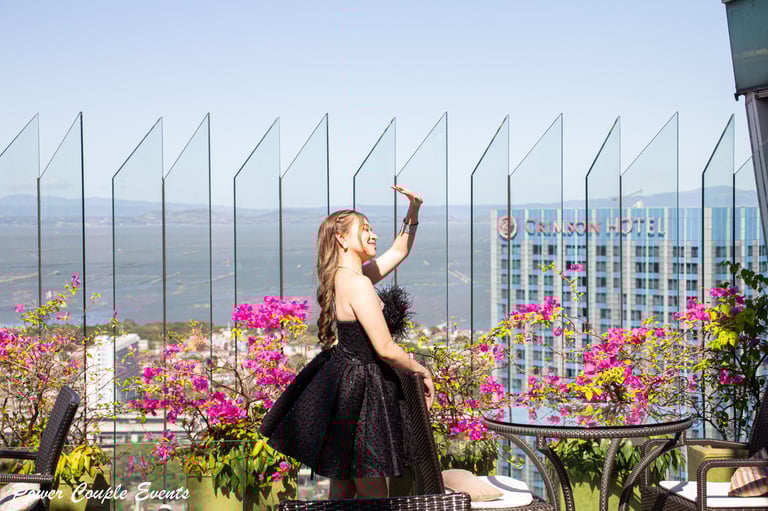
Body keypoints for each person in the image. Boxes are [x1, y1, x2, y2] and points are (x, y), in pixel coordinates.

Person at [260, 185, 435, 500]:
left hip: (345, 385)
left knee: (344, 484)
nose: (373, 235)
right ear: (342, 238)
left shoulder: (343, 277)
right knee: (372, 490)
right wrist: (421, 370)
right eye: (365, 229)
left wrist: (414, 210)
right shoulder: (359, 284)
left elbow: (399, 251)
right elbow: (385, 349)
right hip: (364, 391)